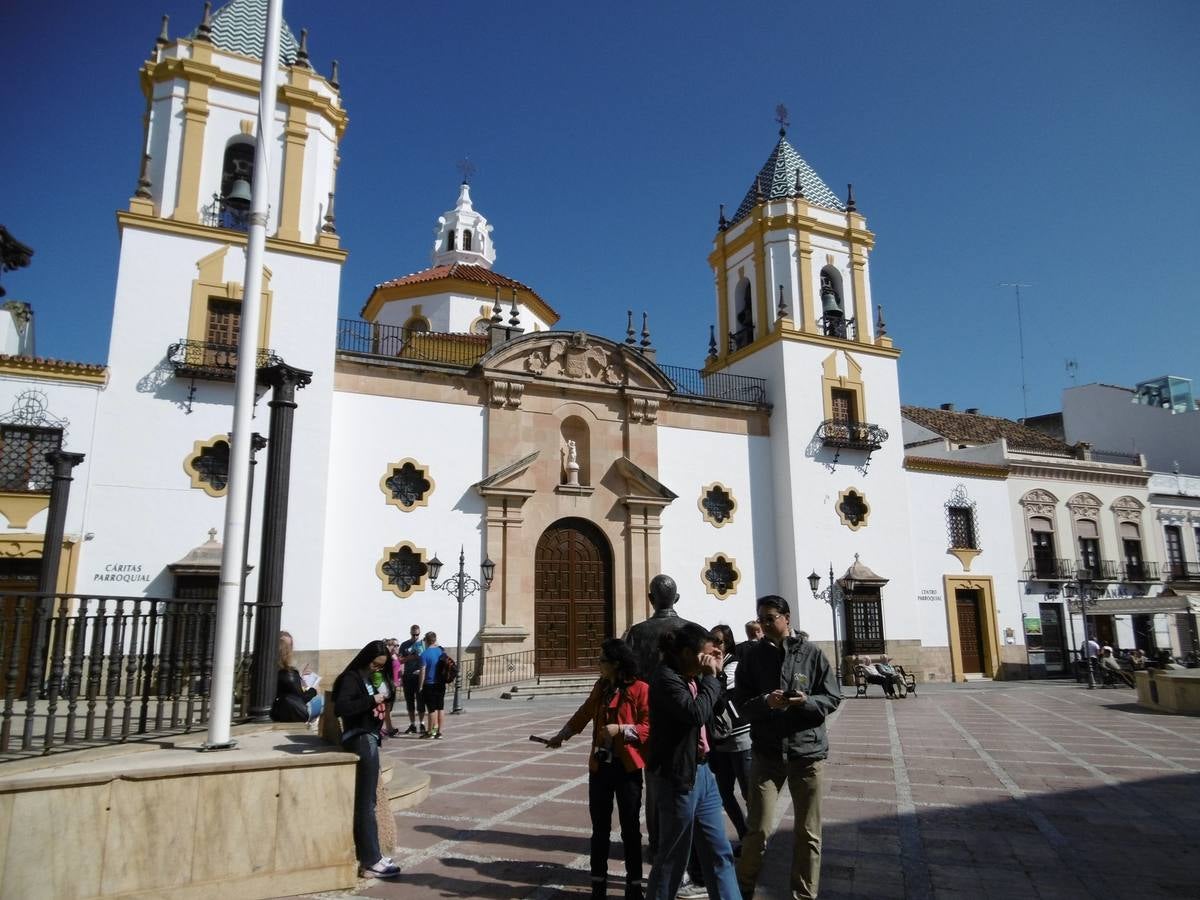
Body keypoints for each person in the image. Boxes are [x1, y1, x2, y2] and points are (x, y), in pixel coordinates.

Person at [736, 596, 841, 900]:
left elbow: (832, 697)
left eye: (770, 618)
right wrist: (765, 702)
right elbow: (740, 703)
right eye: (761, 619)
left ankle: (804, 894)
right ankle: (742, 889)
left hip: (806, 753)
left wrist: (806, 702)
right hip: (767, 754)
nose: (765, 624)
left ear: (787, 618)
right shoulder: (753, 657)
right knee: (757, 828)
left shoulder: (812, 653)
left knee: (808, 832)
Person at [544, 638, 650, 900]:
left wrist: (622, 730)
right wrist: (562, 735)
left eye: (602, 660)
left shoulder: (641, 689)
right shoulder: (601, 687)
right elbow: (584, 712)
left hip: (627, 768)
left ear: (616, 663)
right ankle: (598, 886)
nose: (598, 664)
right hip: (600, 767)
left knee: (630, 829)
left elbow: (649, 727)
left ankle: (634, 886)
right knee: (599, 828)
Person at [644, 623, 740, 900]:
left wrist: (717, 675)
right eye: (704, 654)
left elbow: (716, 708)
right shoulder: (665, 679)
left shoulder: (694, 676)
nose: (709, 659)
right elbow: (695, 714)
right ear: (686, 653)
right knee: (673, 856)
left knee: (719, 850)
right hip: (678, 776)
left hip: (703, 771)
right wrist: (709, 677)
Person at [333, 640, 401, 880]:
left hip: (370, 737)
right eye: (375, 664)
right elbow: (341, 708)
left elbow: (385, 698)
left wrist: (386, 689)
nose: (377, 669)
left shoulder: (372, 678)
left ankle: (374, 855)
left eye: (381, 666)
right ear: (365, 659)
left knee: (369, 798)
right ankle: (370, 860)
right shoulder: (351, 678)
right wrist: (372, 700)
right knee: (366, 801)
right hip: (360, 738)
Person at [709, 624, 751, 850]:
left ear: (728, 643)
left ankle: (755, 841)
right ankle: (745, 834)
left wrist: (714, 672)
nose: (715, 645)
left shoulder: (733, 664)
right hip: (719, 739)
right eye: (712, 640)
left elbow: (721, 690)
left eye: (719, 641)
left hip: (739, 736)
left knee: (748, 791)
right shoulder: (710, 666)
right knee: (724, 793)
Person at [270, 631, 322, 723]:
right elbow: (301, 700)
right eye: (287, 646)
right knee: (322, 701)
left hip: (278, 710)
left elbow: (286, 689)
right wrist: (314, 690)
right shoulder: (289, 673)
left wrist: (300, 678)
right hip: (286, 713)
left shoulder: (270, 669)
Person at [418, 631, 446, 739]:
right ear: (435, 639)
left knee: (431, 709)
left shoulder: (424, 654)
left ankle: (431, 732)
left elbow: (423, 671)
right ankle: (439, 732)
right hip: (440, 683)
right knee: (440, 708)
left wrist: (420, 686)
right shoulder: (441, 651)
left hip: (429, 684)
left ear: (426, 641)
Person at [399, 624, 426, 734]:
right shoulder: (405, 645)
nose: (415, 637)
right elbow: (400, 660)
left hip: (420, 677)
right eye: (413, 634)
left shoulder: (423, 644)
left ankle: (422, 724)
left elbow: (427, 659)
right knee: (409, 702)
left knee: (421, 702)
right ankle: (412, 724)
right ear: (410, 633)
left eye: (417, 634)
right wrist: (410, 657)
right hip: (408, 676)